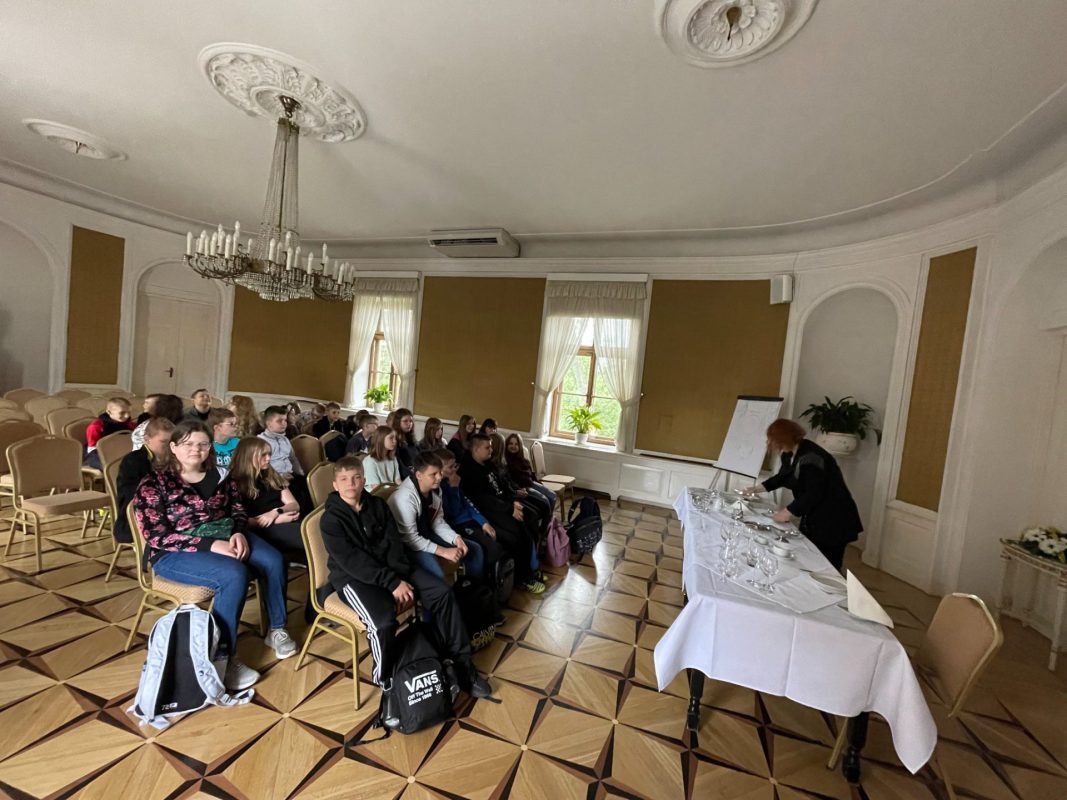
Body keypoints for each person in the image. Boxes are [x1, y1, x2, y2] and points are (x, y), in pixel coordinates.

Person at [132, 421, 297, 690]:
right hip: (175, 551)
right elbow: (156, 535)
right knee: (233, 574)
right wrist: (210, 545)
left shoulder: (221, 475)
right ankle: (223, 658)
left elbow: (238, 510)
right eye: (188, 444)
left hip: (227, 534)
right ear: (173, 447)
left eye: (203, 444)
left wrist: (239, 531)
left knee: (273, 560)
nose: (196, 449)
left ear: (210, 447)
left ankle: (276, 629)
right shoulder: (154, 483)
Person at [320, 456, 491, 697]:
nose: (351, 484)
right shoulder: (330, 520)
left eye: (356, 477)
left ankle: (462, 663)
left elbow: (394, 544)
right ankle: (386, 680)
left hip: (392, 569)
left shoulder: (377, 505)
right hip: (353, 578)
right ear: (335, 485)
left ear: (364, 479)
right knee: (383, 623)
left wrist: (398, 577)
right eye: (344, 479)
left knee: (442, 593)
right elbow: (353, 561)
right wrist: (392, 583)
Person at [742, 418, 863, 571]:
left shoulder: (812, 457)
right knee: (809, 558)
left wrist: (787, 512)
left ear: (785, 438)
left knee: (827, 565)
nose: (771, 443)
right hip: (815, 517)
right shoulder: (788, 453)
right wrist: (756, 489)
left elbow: (813, 493)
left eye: (774, 440)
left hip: (835, 519)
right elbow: (783, 477)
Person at [460, 434, 544, 593]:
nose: (491, 450)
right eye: (487, 447)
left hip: (503, 505)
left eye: (491, 446)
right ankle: (522, 578)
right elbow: (484, 500)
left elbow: (501, 488)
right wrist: (509, 508)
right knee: (515, 534)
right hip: (489, 512)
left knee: (528, 522)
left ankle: (530, 569)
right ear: (476, 450)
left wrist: (513, 501)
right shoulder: (468, 471)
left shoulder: (488, 464)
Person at [388, 451, 485, 580]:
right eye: (433, 474)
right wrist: (444, 551)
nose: (439, 477)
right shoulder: (405, 498)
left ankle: (471, 586)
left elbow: (437, 521)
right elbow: (410, 538)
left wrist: (456, 538)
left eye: (439, 472)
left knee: (475, 549)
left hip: (425, 534)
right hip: (407, 545)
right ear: (419, 475)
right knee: (438, 575)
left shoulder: (435, 490)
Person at [114, 417, 174, 544]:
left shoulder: (175, 457)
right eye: (163, 442)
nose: (169, 446)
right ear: (147, 439)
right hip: (140, 517)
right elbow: (128, 493)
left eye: (172, 441)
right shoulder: (133, 461)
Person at [503, 432, 557, 512]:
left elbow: (531, 474)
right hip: (523, 488)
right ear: (507, 445)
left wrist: (539, 483)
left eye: (516, 444)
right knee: (545, 501)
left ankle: (550, 518)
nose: (513, 446)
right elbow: (510, 481)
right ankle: (547, 518)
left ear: (520, 446)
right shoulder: (506, 461)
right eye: (511, 443)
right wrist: (519, 489)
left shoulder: (523, 460)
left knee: (553, 495)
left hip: (531, 483)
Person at [84, 397, 136, 469]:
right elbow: (92, 449)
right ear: (109, 412)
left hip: (121, 451)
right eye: (122, 413)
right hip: (98, 453)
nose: (127, 416)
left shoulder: (131, 425)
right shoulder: (96, 426)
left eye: (129, 412)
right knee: (116, 467)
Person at [259, 405, 304, 479]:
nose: (284, 423)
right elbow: (261, 467)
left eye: (285, 420)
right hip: (272, 479)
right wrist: (281, 476)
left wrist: (301, 475)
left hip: (290, 475)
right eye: (279, 421)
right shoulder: (260, 441)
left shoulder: (285, 440)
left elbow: (293, 459)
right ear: (268, 423)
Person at [363, 425, 402, 490]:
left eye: (395, 438)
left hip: (390, 491)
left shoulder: (393, 458)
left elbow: (397, 480)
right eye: (391, 438)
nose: (395, 441)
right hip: (376, 493)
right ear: (381, 439)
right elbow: (375, 487)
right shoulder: (370, 461)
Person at [390, 408, 420, 479]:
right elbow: (400, 467)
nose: (409, 424)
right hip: (405, 477)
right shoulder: (394, 441)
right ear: (397, 422)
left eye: (411, 421)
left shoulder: (411, 440)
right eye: (405, 421)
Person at [209, 408, 239, 477]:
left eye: (236, 423)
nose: (236, 427)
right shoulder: (208, 446)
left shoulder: (238, 443)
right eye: (231, 424)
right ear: (217, 428)